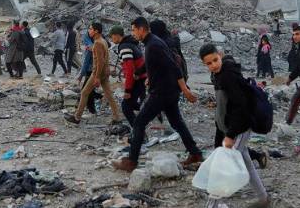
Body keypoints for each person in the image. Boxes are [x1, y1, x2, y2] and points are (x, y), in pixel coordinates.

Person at [188, 44, 270, 208]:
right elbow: (224, 107)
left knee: (221, 169)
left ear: (221, 55)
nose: (213, 65)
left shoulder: (228, 75)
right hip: (231, 127)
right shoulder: (218, 74)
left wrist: (231, 134)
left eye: (215, 60)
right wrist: (222, 132)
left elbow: (240, 106)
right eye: (208, 63)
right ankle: (264, 199)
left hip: (239, 128)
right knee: (247, 163)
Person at [112, 17, 202, 172]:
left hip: (162, 92)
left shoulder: (154, 45)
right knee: (177, 123)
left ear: (141, 29)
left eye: (134, 29)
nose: (133, 33)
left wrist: (185, 90)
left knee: (139, 123)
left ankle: (131, 161)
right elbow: (151, 64)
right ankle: (195, 153)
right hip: (169, 90)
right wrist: (139, 74)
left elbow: (174, 67)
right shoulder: (152, 43)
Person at [65, 22, 121, 125]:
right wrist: (107, 70)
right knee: (109, 95)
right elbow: (105, 58)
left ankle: (77, 118)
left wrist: (97, 77)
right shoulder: (102, 41)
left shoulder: (98, 43)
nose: (88, 31)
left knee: (84, 93)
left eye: (90, 29)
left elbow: (99, 62)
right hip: (104, 72)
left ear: (96, 31)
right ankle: (117, 117)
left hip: (97, 73)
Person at [109, 25, 148, 127]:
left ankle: (139, 133)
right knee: (141, 104)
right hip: (142, 77)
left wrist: (128, 90)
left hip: (137, 79)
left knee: (126, 107)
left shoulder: (124, 47)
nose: (112, 39)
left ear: (117, 36)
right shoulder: (131, 43)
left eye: (112, 36)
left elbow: (130, 69)